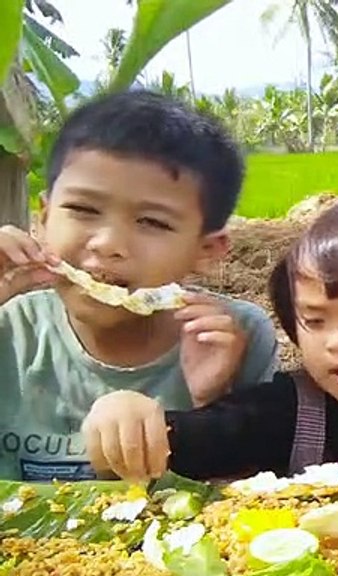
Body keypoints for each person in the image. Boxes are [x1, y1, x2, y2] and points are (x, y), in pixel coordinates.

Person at [81, 196, 338, 482]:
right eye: (313, 320)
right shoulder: (288, 407)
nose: (336, 342)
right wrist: (126, 416)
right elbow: (200, 440)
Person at [0, 90, 278, 483]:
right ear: (42, 220)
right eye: (82, 210)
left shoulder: (234, 335)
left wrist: (212, 401)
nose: (109, 244)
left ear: (206, 250)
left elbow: (254, 505)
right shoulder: (11, 330)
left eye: (152, 222)